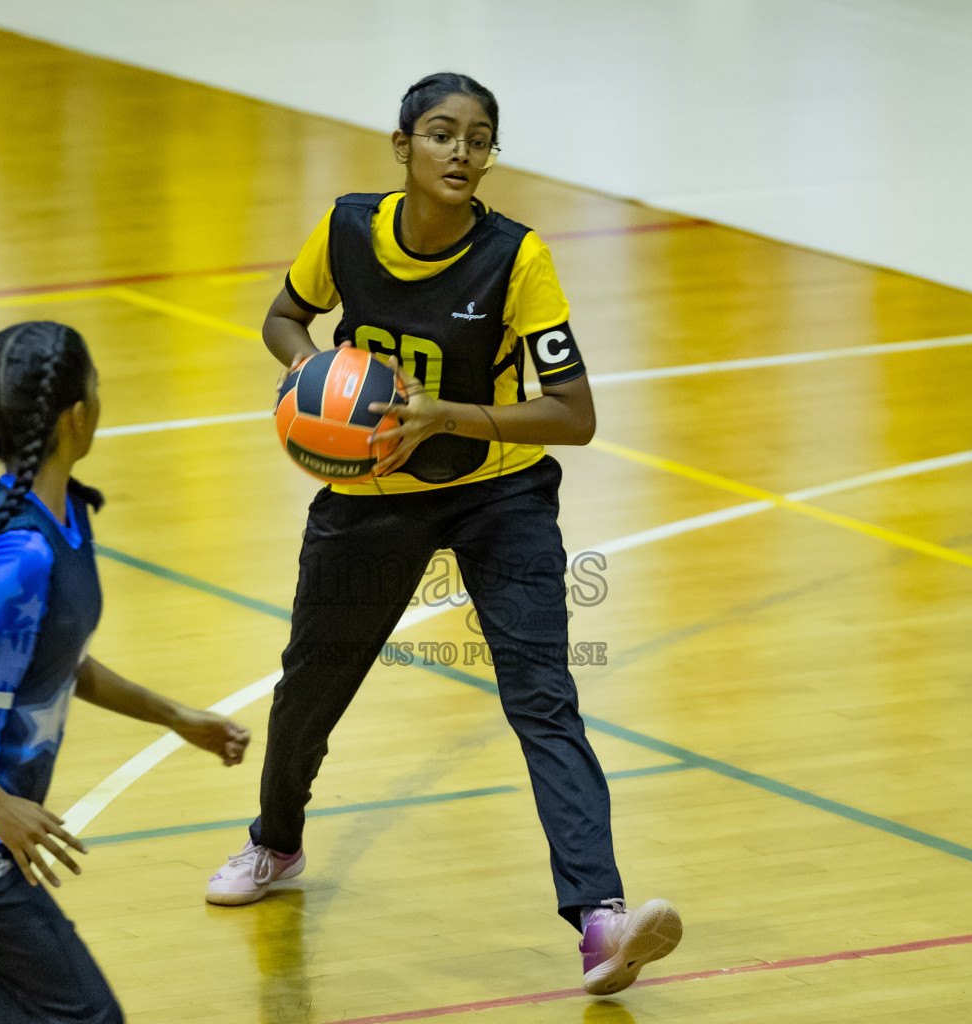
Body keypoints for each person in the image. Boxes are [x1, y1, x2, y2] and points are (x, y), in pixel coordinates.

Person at [205, 72, 681, 996]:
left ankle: (601, 921)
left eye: (478, 138)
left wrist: (449, 417)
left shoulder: (518, 258)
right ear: (402, 147)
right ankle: (276, 845)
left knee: (544, 697)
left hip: (500, 498)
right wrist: (313, 377)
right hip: (374, 493)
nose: (461, 152)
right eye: (440, 134)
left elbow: (574, 415)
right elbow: (283, 316)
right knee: (312, 683)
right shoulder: (347, 228)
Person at [0, 321, 250, 1023]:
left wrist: (175, 717)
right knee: (86, 1018)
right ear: (77, 414)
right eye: (97, 387)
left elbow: (54, 662)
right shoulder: (18, 553)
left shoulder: (62, 513)